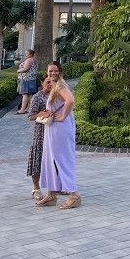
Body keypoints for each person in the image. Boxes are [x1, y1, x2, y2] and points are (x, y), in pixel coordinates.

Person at [35, 62, 81, 209]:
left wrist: (62, 117)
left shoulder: (60, 86)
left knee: (62, 160)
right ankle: (51, 194)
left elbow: (70, 100)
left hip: (60, 129)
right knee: (50, 160)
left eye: (55, 71)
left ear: (59, 72)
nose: (53, 73)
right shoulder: (55, 86)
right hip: (53, 128)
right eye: (50, 71)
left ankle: (74, 196)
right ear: (47, 72)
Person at [27, 75, 53, 201]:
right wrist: (45, 115)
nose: (50, 84)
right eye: (48, 82)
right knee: (37, 159)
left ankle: (56, 187)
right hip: (41, 133)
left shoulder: (56, 96)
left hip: (54, 132)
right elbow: (31, 116)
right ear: (42, 83)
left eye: (52, 82)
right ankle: (36, 188)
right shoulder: (37, 97)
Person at [16, 49, 38, 114]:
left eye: (27, 53)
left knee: (25, 94)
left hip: (26, 79)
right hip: (32, 79)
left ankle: (22, 109)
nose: (26, 55)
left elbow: (25, 69)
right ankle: (29, 108)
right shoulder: (34, 60)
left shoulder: (29, 60)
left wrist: (18, 71)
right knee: (30, 94)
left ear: (31, 54)